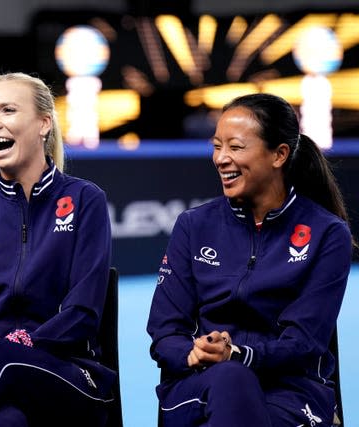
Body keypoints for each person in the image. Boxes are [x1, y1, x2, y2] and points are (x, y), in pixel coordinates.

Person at [147, 93, 354, 426]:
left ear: (279, 155)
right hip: (200, 385)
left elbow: (304, 342)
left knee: (236, 379)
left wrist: (239, 355)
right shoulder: (194, 225)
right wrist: (195, 352)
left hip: (290, 392)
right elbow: (165, 329)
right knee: (230, 378)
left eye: (236, 147)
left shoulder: (327, 233)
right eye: (217, 146)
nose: (221, 159)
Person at [0, 72, 116, 427]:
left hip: (71, 374)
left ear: (44, 124)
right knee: (5, 422)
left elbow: (83, 313)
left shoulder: (84, 199)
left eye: (7, 110)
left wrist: (9, 348)